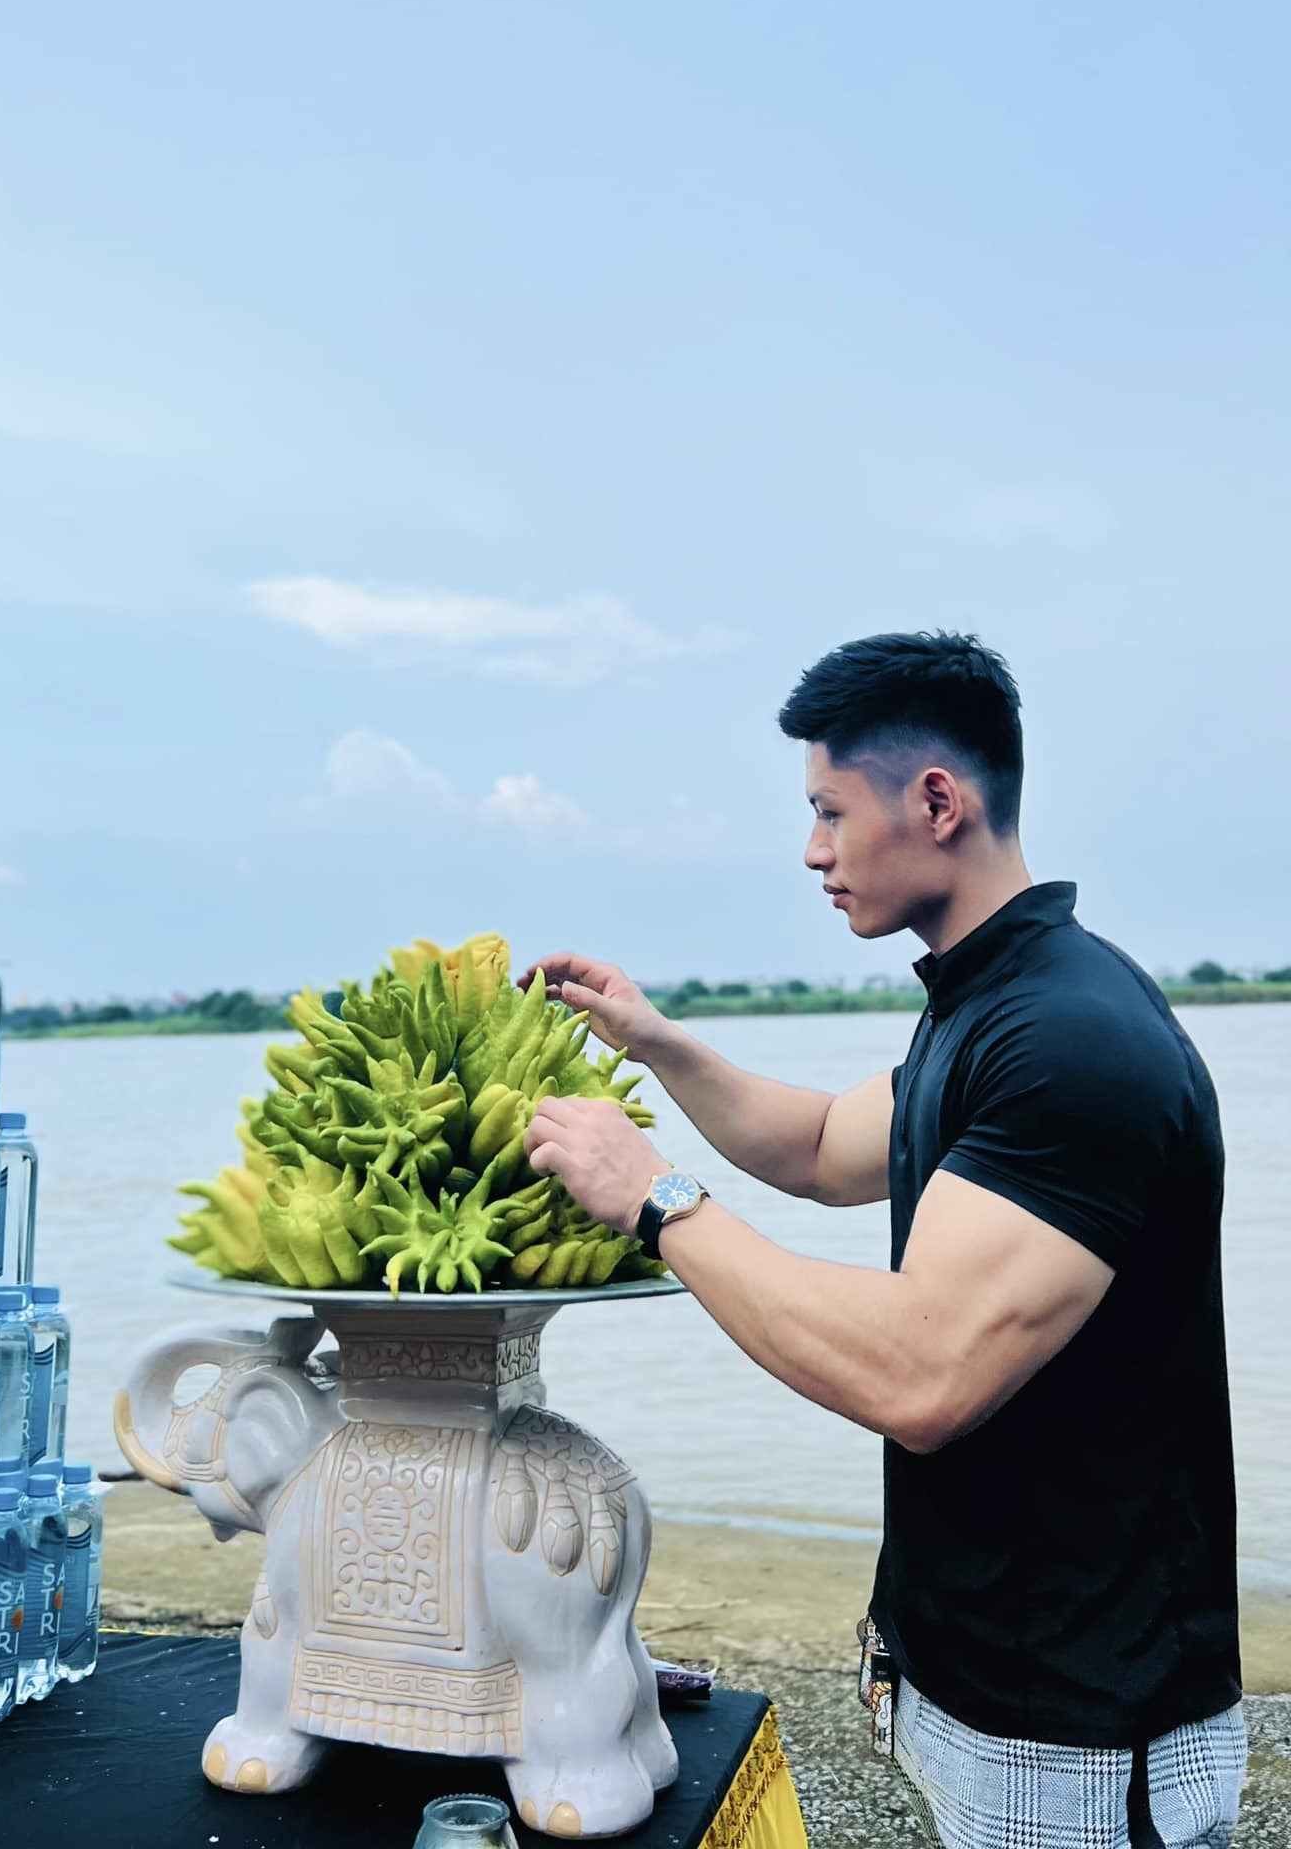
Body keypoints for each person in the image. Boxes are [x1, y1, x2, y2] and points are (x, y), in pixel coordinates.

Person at [520, 630, 1246, 1849]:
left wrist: (656, 1197)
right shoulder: (988, 1004)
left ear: (938, 801)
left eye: (828, 811)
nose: (813, 850)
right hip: (985, 1683)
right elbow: (816, 1145)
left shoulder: (1073, 1040)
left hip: (1081, 1732)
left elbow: (921, 1375)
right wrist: (655, 1040)